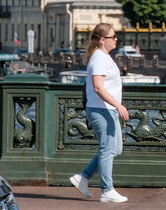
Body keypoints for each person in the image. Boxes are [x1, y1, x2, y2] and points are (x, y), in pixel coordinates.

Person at [68, 23, 129, 203]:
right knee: (107, 148)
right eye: (113, 36)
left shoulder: (104, 56)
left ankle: (84, 177)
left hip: (106, 109)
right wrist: (118, 105)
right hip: (101, 109)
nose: (116, 39)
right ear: (103, 40)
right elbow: (98, 88)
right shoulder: (99, 58)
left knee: (114, 148)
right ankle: (107, 190)